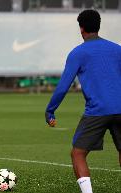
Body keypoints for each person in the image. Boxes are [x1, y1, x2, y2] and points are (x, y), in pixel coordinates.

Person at [45, 9, 121, 193]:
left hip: (97, 111)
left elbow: (64, 86)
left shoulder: (78, 53)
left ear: (81, 28)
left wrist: (50, 110)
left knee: (78, 153)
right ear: (98, 26)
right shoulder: (118, 49)